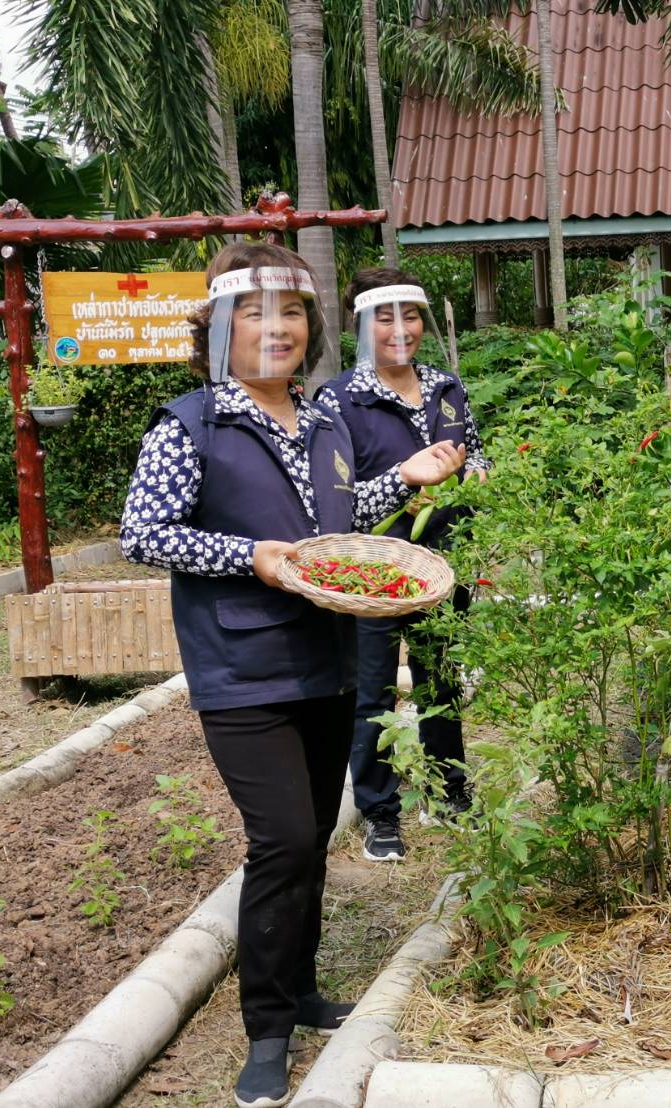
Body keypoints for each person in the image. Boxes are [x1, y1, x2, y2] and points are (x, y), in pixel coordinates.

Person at [120, 242, 465, 1108]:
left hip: (326, 659)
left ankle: (304, 990)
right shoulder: (191, 423)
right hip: (243, 670)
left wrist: (404, 478)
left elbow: (334, 525)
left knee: (311, 835)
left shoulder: (321, 418)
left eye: (292, 314)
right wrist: (253, 557)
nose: (277, 330)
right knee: (278, 841)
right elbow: (146, 533)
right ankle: (267, 1030)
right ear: (219, 328)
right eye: (255, 314)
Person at [316, 269, 490, 862]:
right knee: (373, 692)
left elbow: (475, 451)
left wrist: (477, 473)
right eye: (383, 318)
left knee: (443, 680)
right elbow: (332, 494)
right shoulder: (338, 399)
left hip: (445, 562)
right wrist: (402, 484)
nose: (399, 330)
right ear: (360, 325)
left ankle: (448, 793)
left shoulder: (446, 387)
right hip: (374, 570)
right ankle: (379, 811)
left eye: (409, 316)